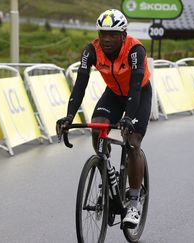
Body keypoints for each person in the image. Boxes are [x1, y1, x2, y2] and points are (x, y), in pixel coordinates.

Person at [56, 9, 152, 228]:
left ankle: (135, 202)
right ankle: (107, 176)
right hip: (113, 95)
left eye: (112, 34)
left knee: (133, 141)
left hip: (138, 94)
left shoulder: (135, 50)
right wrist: (69, 116)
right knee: (97, 128)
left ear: (123, 34)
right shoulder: (91, 50)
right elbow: (80, 84)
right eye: (103, 34)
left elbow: (136, 86)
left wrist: (128, 118)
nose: (106, 39)